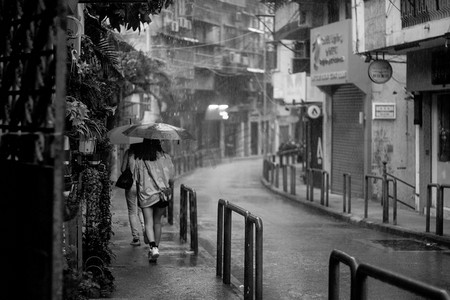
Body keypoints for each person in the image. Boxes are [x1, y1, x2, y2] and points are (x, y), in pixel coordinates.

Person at [133, 139, 174, 262]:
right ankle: (156, 249)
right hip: (162, 195)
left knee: (148, 223)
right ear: (158, 144)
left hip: (146, 195)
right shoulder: (166, 158)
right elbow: (172, 178)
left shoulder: (139, 160)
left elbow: (136, 179)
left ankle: (153, 247)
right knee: (157, 222)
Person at [121, 144, 145, 246]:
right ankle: (145, 231)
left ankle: (136, 237)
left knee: (132, 211)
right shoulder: (145, 153)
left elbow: (122, 169)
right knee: (141, 209)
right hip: (143, 185)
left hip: (130, 185)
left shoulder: (128, 152)